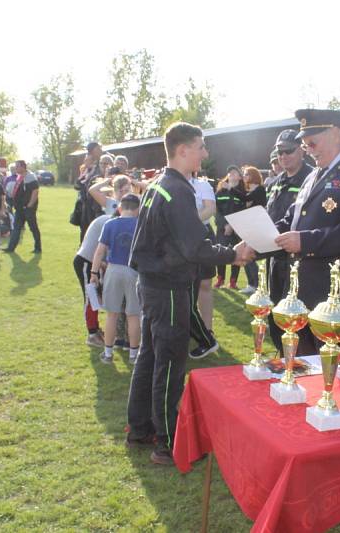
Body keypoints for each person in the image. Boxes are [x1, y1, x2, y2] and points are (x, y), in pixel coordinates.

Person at [126, 121, 253, 466]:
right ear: (183, 150)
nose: (206, 152)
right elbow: (194, 247)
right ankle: (167, 443)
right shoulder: (178, 190)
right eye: (201, 146)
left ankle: (140, 427)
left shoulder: (159, 185)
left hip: (154, 283)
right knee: (169, 364)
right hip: (167, 287)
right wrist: (233, 254)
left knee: (150, 357)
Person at [265, 108, 340, 356]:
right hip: (300, 290)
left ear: (336, 134)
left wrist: (305, 241)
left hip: (334, 293)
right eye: (305, 144)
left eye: (312, 142)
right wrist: (257, 239)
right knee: (301, 369)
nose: (308, 149)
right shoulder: (313, 176)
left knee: (332, 375)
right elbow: (292, 219)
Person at [264, 129, 313, 354]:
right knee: (274, 313)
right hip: (274, 256)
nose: (283, 156)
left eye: (288, 151)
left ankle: (294, 360)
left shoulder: (311, 178)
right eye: (279, 152)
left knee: (294, 317)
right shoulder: (276, 181)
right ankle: (283, 357)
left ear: (302, 151)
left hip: (298, 260)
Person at [91, 194, 141, 364]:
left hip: (113, 269)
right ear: (138, 209)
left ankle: (108, 353)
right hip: (134, 271)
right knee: (133, 314)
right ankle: (134, 355)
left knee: (112, 314)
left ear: (120, 208)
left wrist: (94, 273)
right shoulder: (141, 225)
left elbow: (99, 252)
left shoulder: (110, 224)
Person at [74, 198, 117, 348]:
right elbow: (102, 250)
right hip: (86, 261)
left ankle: (95, 329)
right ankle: (92, 334)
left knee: (94, 297)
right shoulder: (110, 223)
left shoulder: (106, 219)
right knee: (91, 297)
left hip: (90, 261)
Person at [188, 173, 220, 360]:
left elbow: (210, 209)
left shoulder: (202, 185)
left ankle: (207, 331)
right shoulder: (173, 183)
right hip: (181, 237)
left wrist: (189, 222)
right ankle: (191, 331)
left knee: (205, 284)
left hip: (203, 234)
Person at [214, 165, 245, 289]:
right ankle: (220, 279)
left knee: (235, 253)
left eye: (234, 172)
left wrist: (232, 225)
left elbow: (242, 210)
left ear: (239, 176)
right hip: (222, 229)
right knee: (220, 254)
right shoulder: (220, 192)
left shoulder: (242, 193)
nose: (231, 174)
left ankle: (233, 281)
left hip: (236, 230)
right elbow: (217, 211)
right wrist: (224, 225)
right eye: (229, 173)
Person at [238, 166, 266, 294]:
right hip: (250, 224)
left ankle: (255, 285)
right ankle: (252, 283)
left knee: (250, 256)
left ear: (253, 176)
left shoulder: (260, 189)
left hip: (257, 224)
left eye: (246, 174)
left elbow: (246, 199)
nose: (244, 177)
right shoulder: (249, 189)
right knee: (246, 255)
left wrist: (231, 189)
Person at [2, 160, 41, 253]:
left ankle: (38, 248)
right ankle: (11, 248)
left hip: (28, 208)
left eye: (17, 166)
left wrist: (30, 205)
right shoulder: (19, 176)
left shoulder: (30, 177)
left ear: (23, 167)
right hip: (19, 208)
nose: (15, 168)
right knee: (16, 227)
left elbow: (35, 191)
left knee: (33, 227)